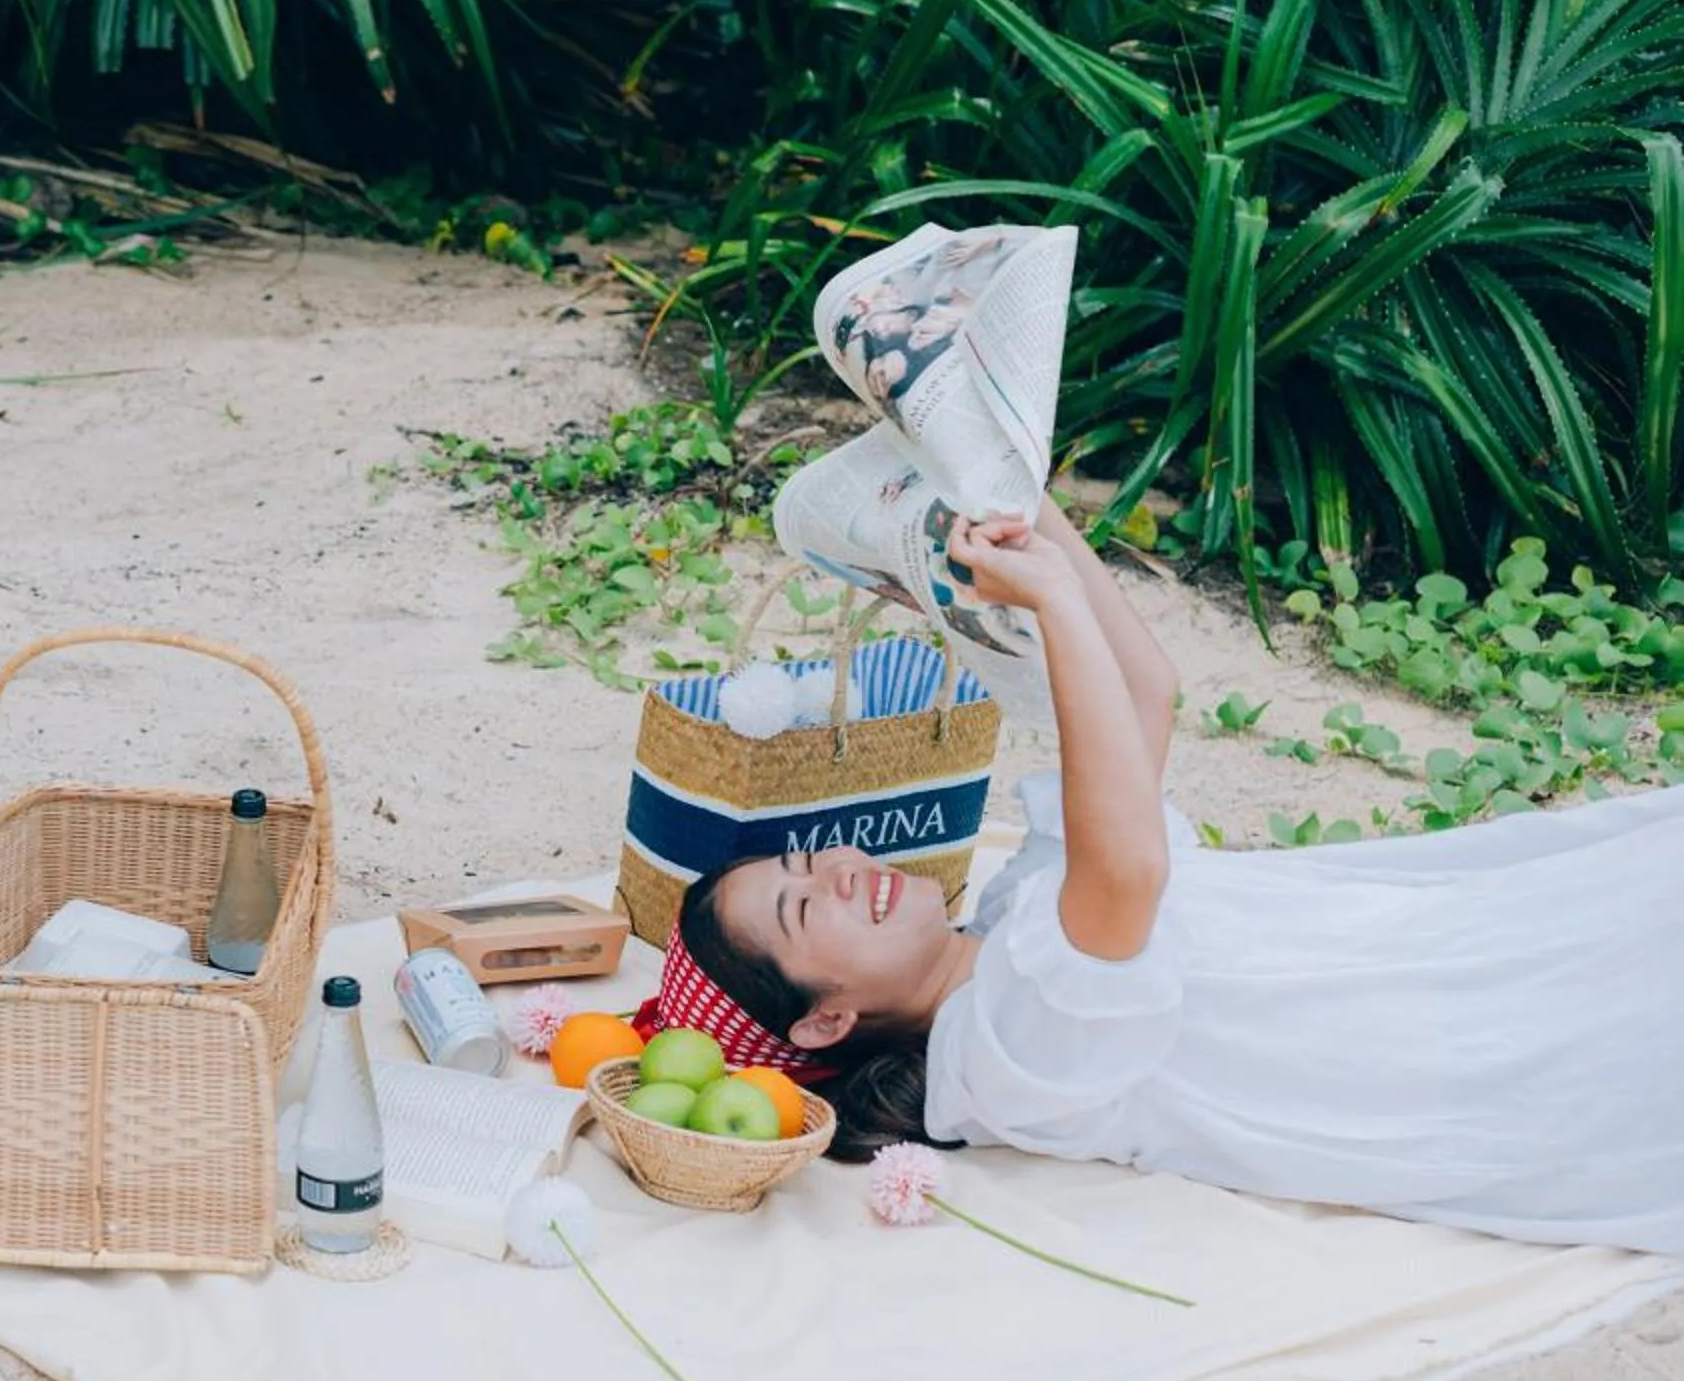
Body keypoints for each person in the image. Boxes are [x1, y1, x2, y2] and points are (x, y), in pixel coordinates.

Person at [671, 497, 1684, 1255]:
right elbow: (1129, 875)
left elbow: (1145, 694)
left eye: (814, 856)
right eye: (806, 907)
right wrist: (1051, 602)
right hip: (1453, 1038)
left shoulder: (1017, 911)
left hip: (1436, 937)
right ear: (822, 1021)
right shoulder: (999, 1063)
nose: (846, 868)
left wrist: (1027, 513)